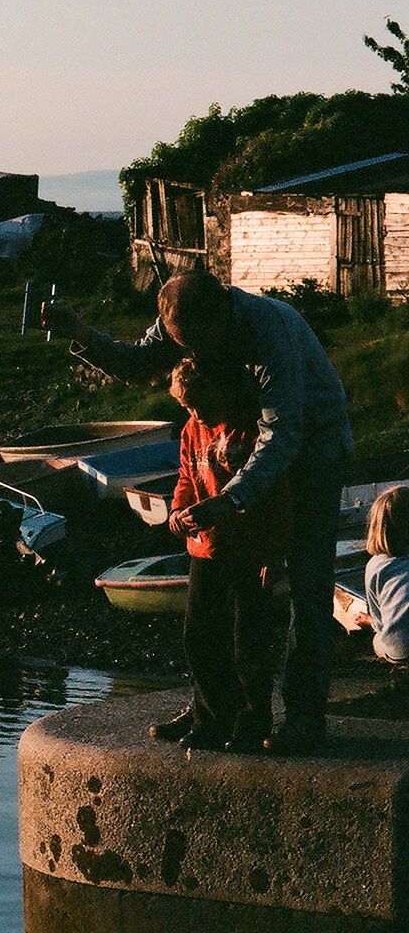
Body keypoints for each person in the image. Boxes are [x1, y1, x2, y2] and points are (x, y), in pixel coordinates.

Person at [45, 270, 352, 754]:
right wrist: (81, 335)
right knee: (210, 620)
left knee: (308, 587)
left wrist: (229, 500)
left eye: (199, 343)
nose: (193, 353)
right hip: (235, 449)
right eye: (181, 343)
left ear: (222, 313)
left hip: (313, 449)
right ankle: (213, 707)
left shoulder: (270, 330)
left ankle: (304, 717)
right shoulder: (181, 321)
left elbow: (283, 431)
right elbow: (138, 364)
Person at [149, 359, 288, 751]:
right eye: (187, 407)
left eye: (201, 404)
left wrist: (273, 553)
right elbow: (186, 478)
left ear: (222, 389)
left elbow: (274, 494)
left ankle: (251, 719)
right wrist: (177, 512)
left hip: (249, 550)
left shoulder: (250, 430)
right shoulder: (193, 430)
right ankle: (210, 716)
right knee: (200, 637)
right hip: (205, 550)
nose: (196, 414)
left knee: (249, 642)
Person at [362, 486, 409, 664]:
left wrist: (368, 620)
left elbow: (379, 621)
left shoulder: (375, 566)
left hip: (401, 650)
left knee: (378, 639)